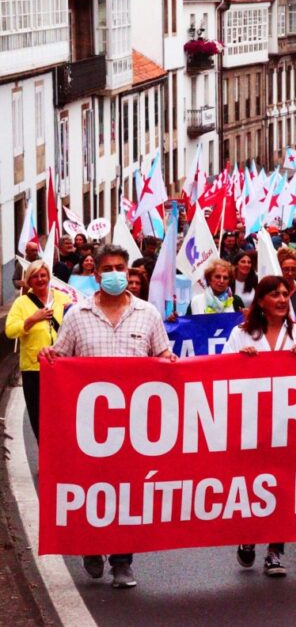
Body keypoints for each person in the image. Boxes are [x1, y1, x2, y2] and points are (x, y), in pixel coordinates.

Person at [38, 243, 175, 589]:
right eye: (109, 268)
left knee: (128, 494)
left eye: (121, 268)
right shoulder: (76, 315)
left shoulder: (148, 314)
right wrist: (47, 355)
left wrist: (170, 362)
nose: (116, 274)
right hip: (89, 430)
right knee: (93, 492)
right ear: (96, 274)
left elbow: (163, 356)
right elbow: (60, 357)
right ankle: (91, 545)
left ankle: (122, 562)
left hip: (134, 428)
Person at [223, 276, 296, 576]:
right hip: (251, 425)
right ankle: (247, 536)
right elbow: (218, 373)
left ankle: (275, 551)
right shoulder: (241, 334)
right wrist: (239, 360)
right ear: (261, 301)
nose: (283, 299)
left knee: (284, 488)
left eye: (286, 294)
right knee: (252, 485)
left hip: (288, 425)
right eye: (275, 294)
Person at [4, 261, 71, 443]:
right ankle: (46, 453)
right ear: (29, 280)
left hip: (61, 365)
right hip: (33, 367)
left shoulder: (62, 299)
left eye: (43, 275)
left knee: (61, 413)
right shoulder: (21, 303)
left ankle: (61, 453)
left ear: (49, 277)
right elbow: (10, 331)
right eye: (35, 276)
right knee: (38, 414)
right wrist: (32, 320)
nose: (40, 279)